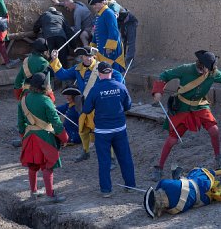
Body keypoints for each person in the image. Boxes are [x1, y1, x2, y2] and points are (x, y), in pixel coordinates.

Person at [152, 50, 221, 181]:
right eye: (207, 67)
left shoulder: (212, 72)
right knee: (172, 139)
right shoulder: (185, 69)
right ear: (200, 64)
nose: (209, 70)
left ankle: (218, 158)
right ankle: (159, 167)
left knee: (214, 130)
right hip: (182, 107)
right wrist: (157, 92)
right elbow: (164, 75)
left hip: (200, 106)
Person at [50, 46, 123, 162]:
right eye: (84, 56)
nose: (86, 58)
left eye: (88, 56)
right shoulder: (77, 69)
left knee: (103, 133)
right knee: (83, 130)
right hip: (84, 104)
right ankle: (85, 151)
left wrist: (113, 88)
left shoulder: (101, 67)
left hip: (99, 105)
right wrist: (55, 60)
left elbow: (118, 75)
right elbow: (62, 75)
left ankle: (111, 158)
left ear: (93, 56)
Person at [81, 61, 135, 197]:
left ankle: (106, 190)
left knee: (104, 161)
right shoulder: (120, 86)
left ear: (99, 74)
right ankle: (130, 185)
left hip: (102, 131)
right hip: (119, 129)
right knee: (125, 157)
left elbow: (86, 109)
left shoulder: (95, 90)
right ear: (111, 72)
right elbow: (128, 106)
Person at [18, 72, 69, 203]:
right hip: (45, 137)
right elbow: (57, 123)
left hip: (29, 137)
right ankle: (50, 195)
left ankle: (33, 192)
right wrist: (64, 138)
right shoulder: (46, 101)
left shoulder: (23, 100)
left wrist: (23, 137)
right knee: (48, 167)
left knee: (32, 166)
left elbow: (20, 124)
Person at [144, 167, 221, 218]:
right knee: (199, 172)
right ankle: (218, 171)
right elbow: (160, 184)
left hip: (205, 199)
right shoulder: (164, 184)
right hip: (202, 182)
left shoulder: (173, 210)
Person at [88, 0, 125, 73]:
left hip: (110, 49)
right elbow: (97, 33)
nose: (94, 7)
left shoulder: (108, 13)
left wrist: (110, 47)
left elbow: (113, 31)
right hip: (101, 49)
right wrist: (92, 46)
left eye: (95, 4)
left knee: (113, 72)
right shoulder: (100, 15)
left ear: (102, 3)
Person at [108, 0, 138, 67]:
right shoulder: (104, 10)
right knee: (121, 41)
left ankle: (129, 62)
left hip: (130, 22)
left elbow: (115, 12)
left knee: (131, 42)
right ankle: (121, 60)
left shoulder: (114, 5)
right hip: (120, 23)